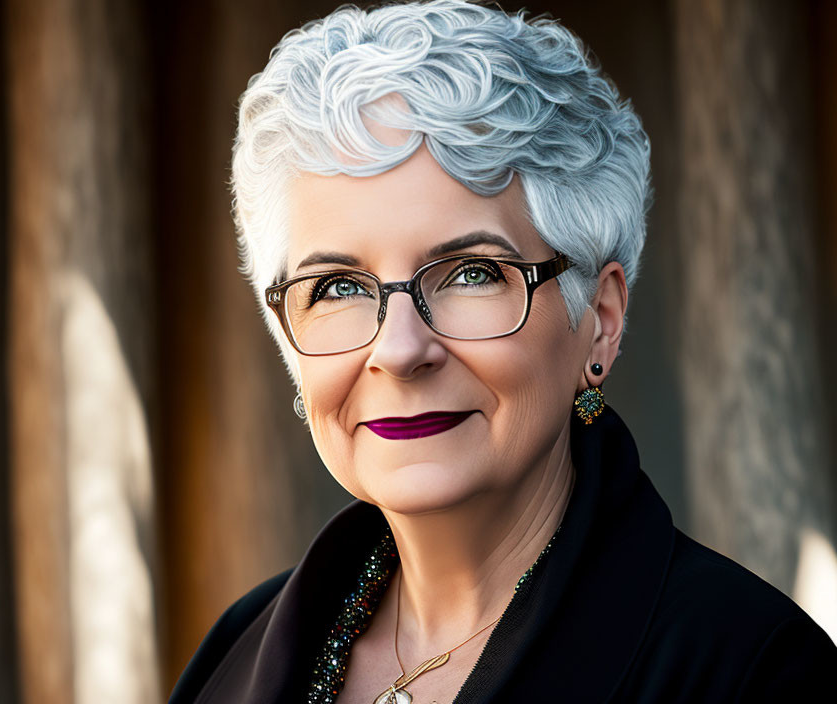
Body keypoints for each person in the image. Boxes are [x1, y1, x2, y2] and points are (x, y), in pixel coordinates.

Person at [170, 1, 837, 701]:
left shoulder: (752, 671)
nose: (400, 350)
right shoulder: (235, 652)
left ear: (601, 321)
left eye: (472, 273)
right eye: (337, 286)